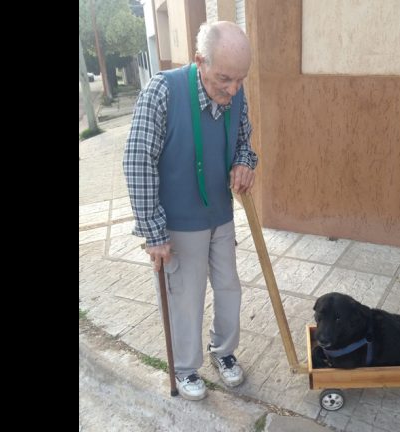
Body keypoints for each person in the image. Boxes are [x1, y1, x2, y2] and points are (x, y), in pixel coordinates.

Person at [123, 21, 257, 401]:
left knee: (229, 287)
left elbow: (244, 141)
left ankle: (224, 352)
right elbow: (137, 160)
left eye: (240, 80)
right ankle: (185, 368)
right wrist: (154, 232)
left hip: (221, 215)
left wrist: (246, 162)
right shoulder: (163, 90)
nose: (232, 90)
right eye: (224, 79)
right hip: (178, 222)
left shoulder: (236, 94)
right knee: (185, 294)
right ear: (200, 61)